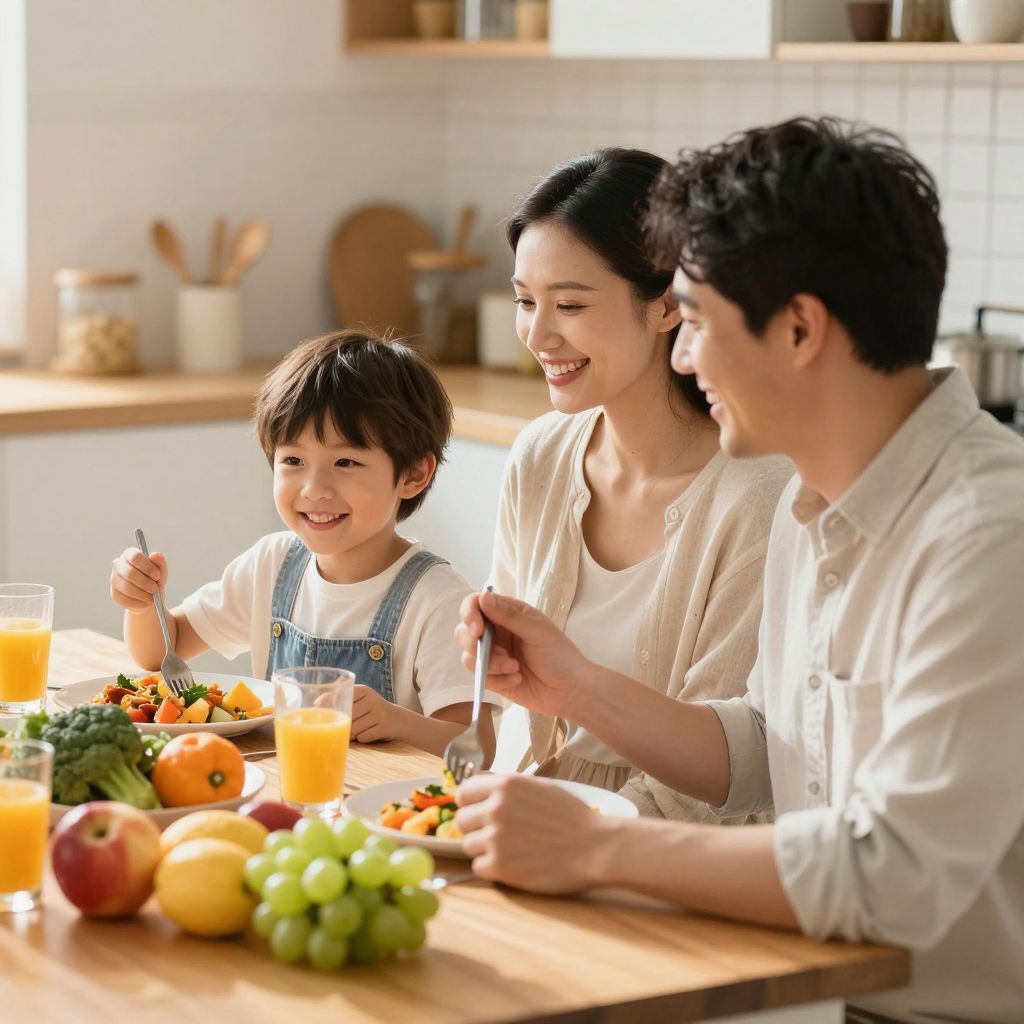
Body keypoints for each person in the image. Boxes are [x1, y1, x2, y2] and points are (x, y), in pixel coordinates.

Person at [456, 118, 1024, 1022]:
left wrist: (595, 850)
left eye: (699, 321)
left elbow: (898, 878)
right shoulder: (816, 495)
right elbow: (769, 746)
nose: (682, 355)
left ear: (800, 328)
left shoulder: (989, 537)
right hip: (806, 985)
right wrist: (579, 689)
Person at [487, 147, 790, 821]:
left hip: (669, 854)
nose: (537, 335)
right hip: (525, 820)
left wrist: (576, 842)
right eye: (524, 301)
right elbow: (509, 710)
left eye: (568, 303)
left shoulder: (759, 496)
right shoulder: (540, 455)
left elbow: (726, 778)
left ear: (666, 307)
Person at [109, 328, 493, 757]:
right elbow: (162, 652)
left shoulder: (439, 600)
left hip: (377, 811)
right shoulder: (271, 566)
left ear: (413, 475)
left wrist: (394, 721)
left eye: (345, 461)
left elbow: (477, 750)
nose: (314, 489)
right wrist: (144, 604)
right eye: (293, 461)